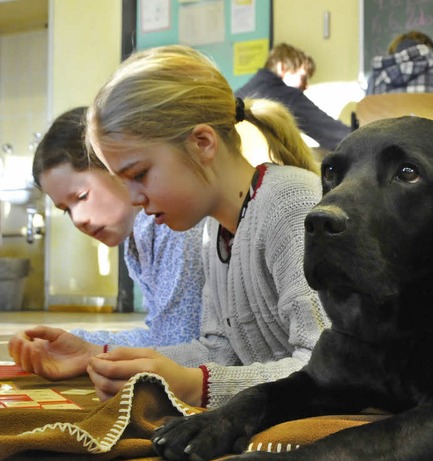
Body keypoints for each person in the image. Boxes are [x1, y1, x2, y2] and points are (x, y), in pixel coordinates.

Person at [81, 44, 329, 409]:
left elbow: (327, 368)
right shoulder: (215, 230)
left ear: (202, 143)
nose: (134, 198)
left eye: (139, 174)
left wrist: (197, 386)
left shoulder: (291, 204)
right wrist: (114, 359)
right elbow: (221, 349)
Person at [9, 107, 206, 381]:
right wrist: (80, 344)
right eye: (66, 209)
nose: (78, 219)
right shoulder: (139, 238)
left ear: (116, 167)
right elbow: (162, 334)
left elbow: (181, 343)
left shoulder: (171, 225)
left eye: (82, 196)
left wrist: (91, 350)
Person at [235, 42, 351, 151]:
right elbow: (335, 135)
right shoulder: (284, 95)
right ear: (282, 67)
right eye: (303, 78)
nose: (306, 86)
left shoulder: (237, 96)